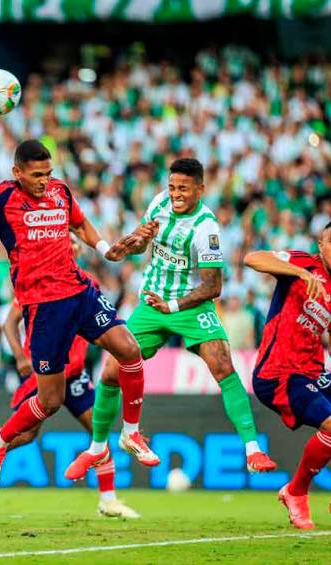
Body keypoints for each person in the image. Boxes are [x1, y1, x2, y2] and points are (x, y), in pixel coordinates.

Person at [0, 139, 153, 488]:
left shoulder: (60, 191)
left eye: (48, 173)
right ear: (17, 172)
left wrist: (104, 248)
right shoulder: (2, 196)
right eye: (37, 175)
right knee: (50, 401)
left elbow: (80, 224)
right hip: (43, 306)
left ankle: (131, 432)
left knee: (129, 349)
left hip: (79, 291)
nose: (44, 181)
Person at [90, 158, 276, 473]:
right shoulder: (159, 203)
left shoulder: (206, 228)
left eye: (183, 189)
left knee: (223, 365)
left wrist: (174, 306)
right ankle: (97, 448)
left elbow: (214, 286)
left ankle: (253, 450)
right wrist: (139, 239)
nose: (176, 194)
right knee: (110, 371)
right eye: (172, 187)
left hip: (190, 305)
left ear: (200, 189)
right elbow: (138, 247)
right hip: (152, 302)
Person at [0, 294, 139, 518]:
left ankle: (108, 500)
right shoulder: (37, 284)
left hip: (74, 373)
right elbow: (9, 322)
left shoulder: (85, 284)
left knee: (99, 430)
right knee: (26, 435)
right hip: (45, 370)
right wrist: (20, 357)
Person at [244, 231, 331, 529]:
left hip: (313, 372)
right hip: (278, 373)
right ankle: (296, 492)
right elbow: (252, 258)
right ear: (321, 245)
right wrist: (298, 273)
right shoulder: (303, 262)